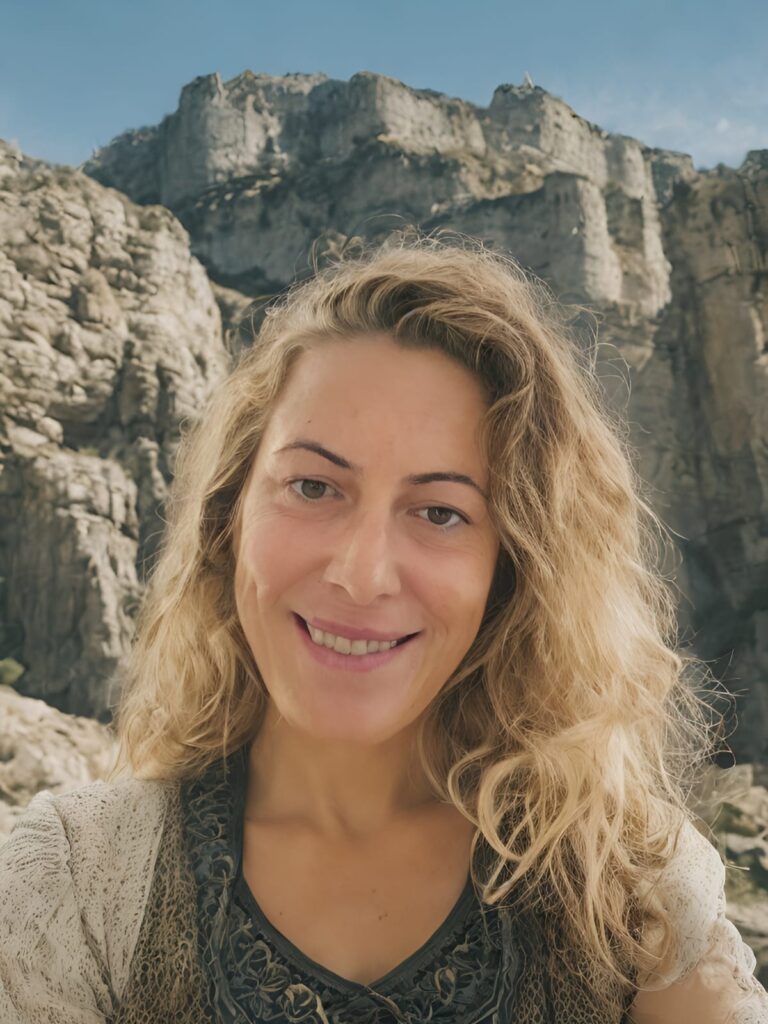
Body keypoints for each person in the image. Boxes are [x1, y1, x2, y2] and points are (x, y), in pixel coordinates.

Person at [1, 232, 766, 1023]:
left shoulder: (632, 892)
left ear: (512, 568)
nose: (361, 574)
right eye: (313, 486)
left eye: (440, 512)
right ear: (229, 517)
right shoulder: (75, 884)